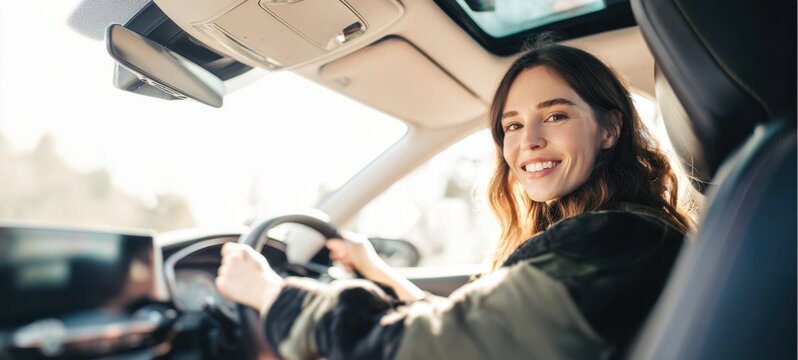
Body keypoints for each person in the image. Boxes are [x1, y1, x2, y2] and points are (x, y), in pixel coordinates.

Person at [215, 42, 695, 360]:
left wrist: (269, 294)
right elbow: (478, 332)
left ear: (609, 128)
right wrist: (380, 272)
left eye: (554, 116)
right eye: (511, 125)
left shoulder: (615, 240)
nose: (526, 141)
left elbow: (420, 347)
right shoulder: (613, 235)